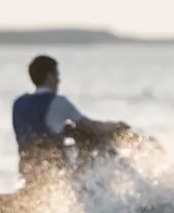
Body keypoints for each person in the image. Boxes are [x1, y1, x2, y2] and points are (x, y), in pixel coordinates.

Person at [12, 55, 129, 184]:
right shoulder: (58, 102)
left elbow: (36, 130)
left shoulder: (19, 103)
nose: (59, 80)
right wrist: (117, 126)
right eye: (57, 75)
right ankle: (115, 179)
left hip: (26, 169)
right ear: (50, 76)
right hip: (52, 169)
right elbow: (92, 127)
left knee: (72, 132)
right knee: (93, 140)